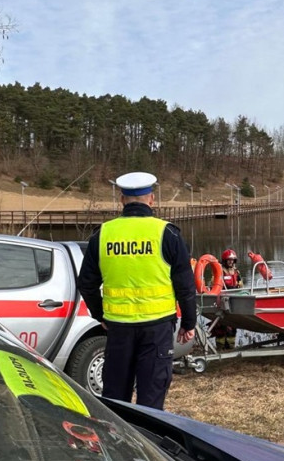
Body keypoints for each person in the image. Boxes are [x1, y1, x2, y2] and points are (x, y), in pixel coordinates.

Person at [78, 171, 197, 410]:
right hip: (157, 328)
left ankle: (118, 443)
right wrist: (189, 322)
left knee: (115, 398)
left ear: (122, 200)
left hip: (118, 328)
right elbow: (185, 285)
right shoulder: (168, 234)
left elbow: (87, 284)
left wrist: (101, 315)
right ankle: (149, 442)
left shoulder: (102, 235)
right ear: (151, 199)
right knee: (151, 399)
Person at [211, 249, 241, 350]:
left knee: (232, 329)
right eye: (229, 260)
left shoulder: (237, 272)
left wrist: (238, 287)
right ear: (224, 260)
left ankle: (231, 348)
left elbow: (241, 287)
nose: (231, 262)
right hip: (221, 303)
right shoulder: (219, 272)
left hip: (234, 303)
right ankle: (220, 349)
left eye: (232, 260)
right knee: (220, 329)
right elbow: (213, 286)